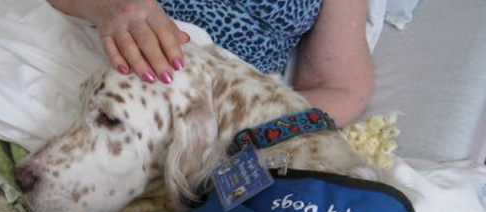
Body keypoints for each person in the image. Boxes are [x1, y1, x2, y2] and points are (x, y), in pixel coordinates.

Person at [45, 0, 372, 127]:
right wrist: (109, 7)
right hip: (101, 59)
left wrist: (236, 118)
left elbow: (343, 89)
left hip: (220, 119)